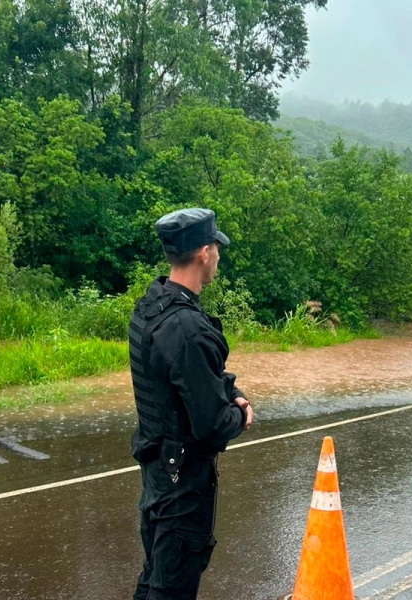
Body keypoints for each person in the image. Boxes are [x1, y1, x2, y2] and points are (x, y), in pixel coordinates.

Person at [129, 207, 253, 600]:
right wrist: (239, 413)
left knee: (156, 578)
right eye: (216, 246)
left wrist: (228, 388)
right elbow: (211, 426)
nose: (218, 254)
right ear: (203, 252)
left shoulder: (152, 305)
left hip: (157, 473)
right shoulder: (187, 328)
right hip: (183, 486)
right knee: (172, 586)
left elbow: (185, 378)